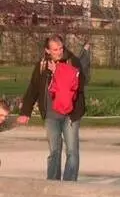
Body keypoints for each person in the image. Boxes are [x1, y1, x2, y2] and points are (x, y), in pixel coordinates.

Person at [18, 34, 86, 181]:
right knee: (54, 151)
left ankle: (69, 183)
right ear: (47, 50)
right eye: (55, 49)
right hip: (51, 115)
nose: (59, 52)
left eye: (61, 48)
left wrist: (59, 71)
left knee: (72, 151)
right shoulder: (42, 65)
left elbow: (80, 84)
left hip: (70, 114)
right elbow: (33, 89)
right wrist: (25, 112)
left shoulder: (72, 61)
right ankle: (53, 183)